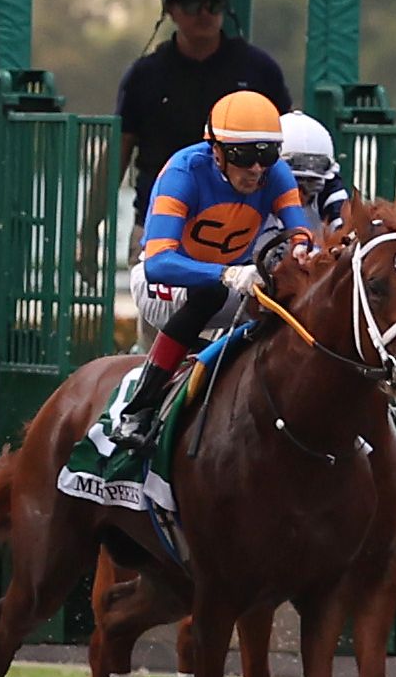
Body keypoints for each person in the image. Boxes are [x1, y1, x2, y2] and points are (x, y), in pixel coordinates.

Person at [107, 87, 315, 442]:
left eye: (266, 155)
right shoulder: (183, 172)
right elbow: (158, 263)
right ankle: (139, 407)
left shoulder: (274, 174)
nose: (255, 169)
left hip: (232, 283)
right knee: (210, 293)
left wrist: (301, 251)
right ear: (216, 151)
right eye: (243, 155)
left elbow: (301, 232)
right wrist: (228, 273)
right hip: (165, 286)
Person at [114, 0, 290, 190]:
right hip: (157, 218)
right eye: (192, 5)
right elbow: (118, 153)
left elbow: (288, 143)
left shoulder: (258, 69)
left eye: (214, 4)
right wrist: (90, 224)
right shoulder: (145, 75)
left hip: (245, 218)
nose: (204, 14)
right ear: (170, 10)